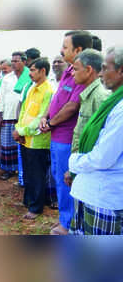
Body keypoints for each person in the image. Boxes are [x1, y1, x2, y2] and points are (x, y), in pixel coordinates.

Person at [39, 30, 92, 235]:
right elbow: (56, 100)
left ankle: (67, 224)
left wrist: (50, 123)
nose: (61, 51)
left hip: (66, 138)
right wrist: (45, 117)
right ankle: (64, 218)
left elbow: (72, 107)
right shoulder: (69, 71)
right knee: (58, 177)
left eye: (65, 47)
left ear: (78, 50)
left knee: (65, 180)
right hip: (55, 135)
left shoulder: (82, 75)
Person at [68, 46, 123, 235]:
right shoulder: (113, 101)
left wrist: (74, 162)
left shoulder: (117, 106)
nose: (101, 74)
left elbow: (102, 157)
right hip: (92, 190)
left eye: (106, 68)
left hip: (104, 197)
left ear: (121, 71)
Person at [13, 58, 54, 219]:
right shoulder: (31, 88)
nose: (29, 73)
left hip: (37, 141)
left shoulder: (48, 91)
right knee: (28, 173)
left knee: (37, 175)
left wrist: (22, 131)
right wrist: (19, 130)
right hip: (25, 138)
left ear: (43, 71)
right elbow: (23, 111)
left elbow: (41, 119)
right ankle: (28, 201)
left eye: (33, 70)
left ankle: (36, 208)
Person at [0, 51, 31, 180]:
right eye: (13, 61)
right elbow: (1, 97)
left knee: (22, 144)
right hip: (7, 115)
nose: (14, 63)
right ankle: (8, 170)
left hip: (23, 117)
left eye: (17, 61)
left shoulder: (29, 76)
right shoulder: (7, 78)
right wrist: (0, 114)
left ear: (24, 62)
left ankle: (21, 171)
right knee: (7, 144)